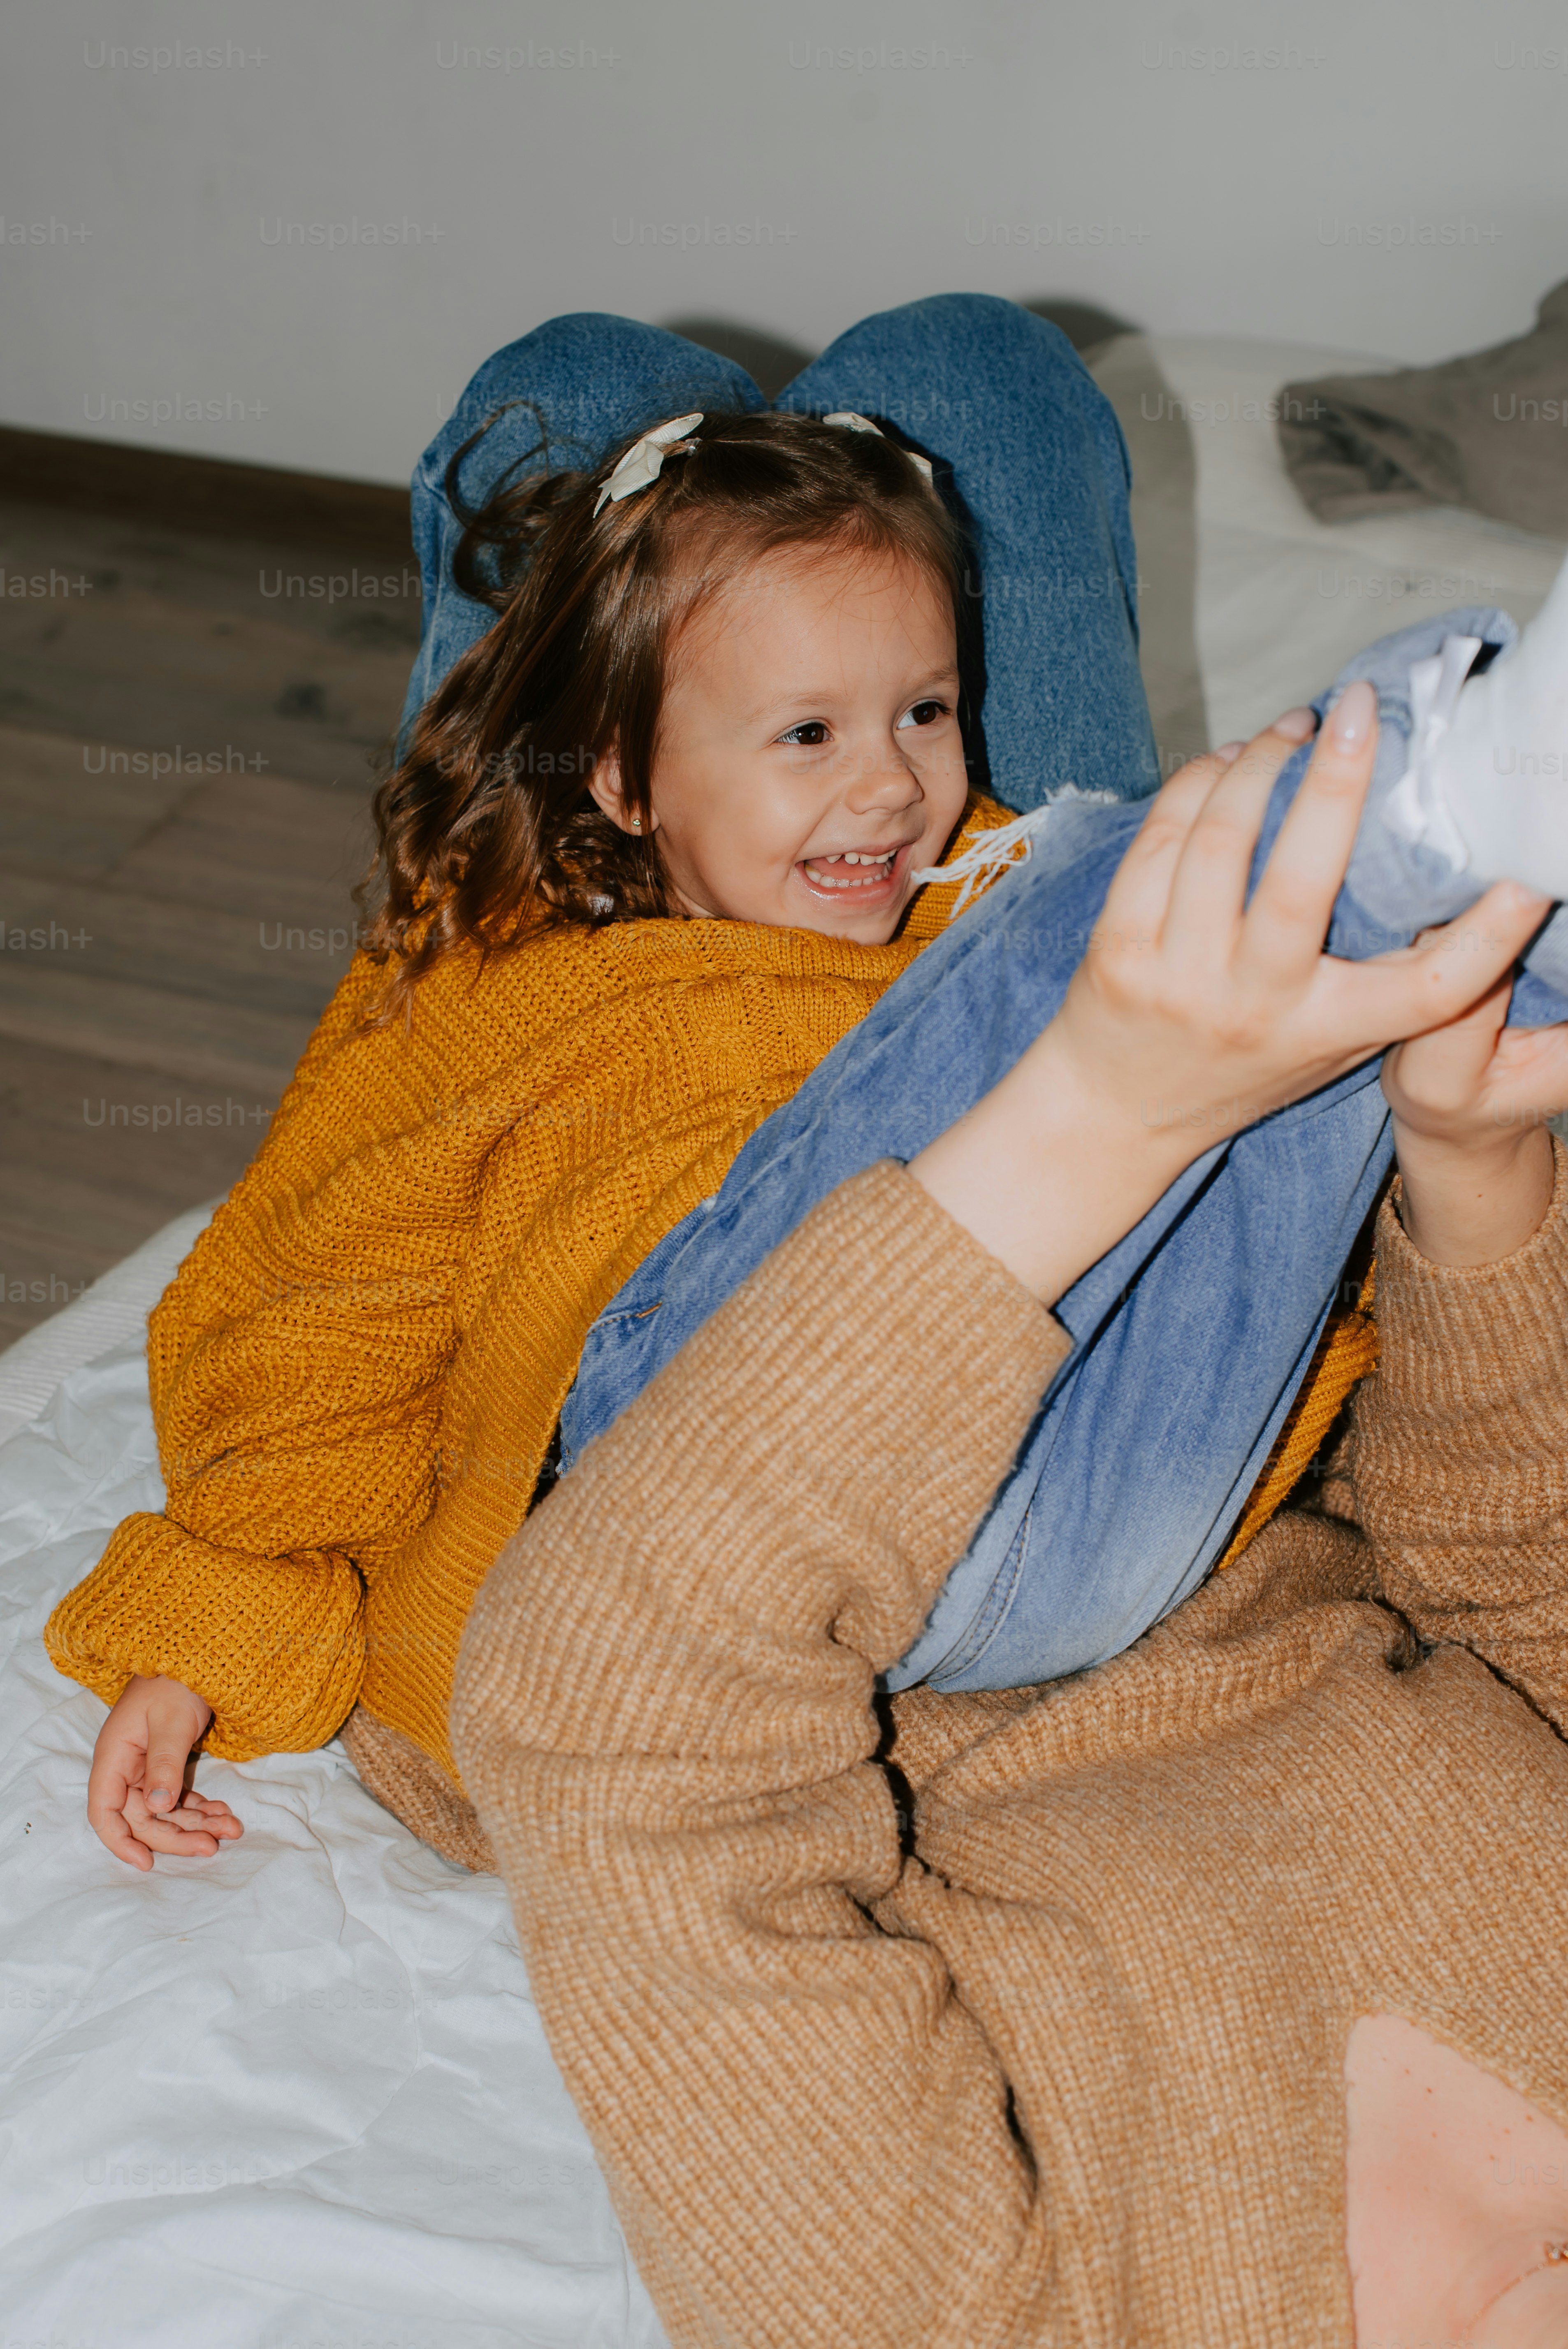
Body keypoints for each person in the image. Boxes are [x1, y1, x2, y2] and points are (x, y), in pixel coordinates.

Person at [43, 298, 1568, 1871]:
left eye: (925, 709)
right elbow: (323, 1301)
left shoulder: (971, 871)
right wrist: (219, 1613)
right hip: (738, 1511)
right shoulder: (534, 993)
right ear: (620, 780)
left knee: (965, 381)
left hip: (1116, 1468)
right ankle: (1460, 796)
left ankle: (1499, 857)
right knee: (1116, 895)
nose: (891, 784)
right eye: (807, 733)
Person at [451, 726, 1568, 2347]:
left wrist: (1110, 1114)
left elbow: (619, 1737)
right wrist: (1478, 1170)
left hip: (808, 1545)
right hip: (1219, 1445)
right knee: (962, 541)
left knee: (650, 631)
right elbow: (1522, 1607)